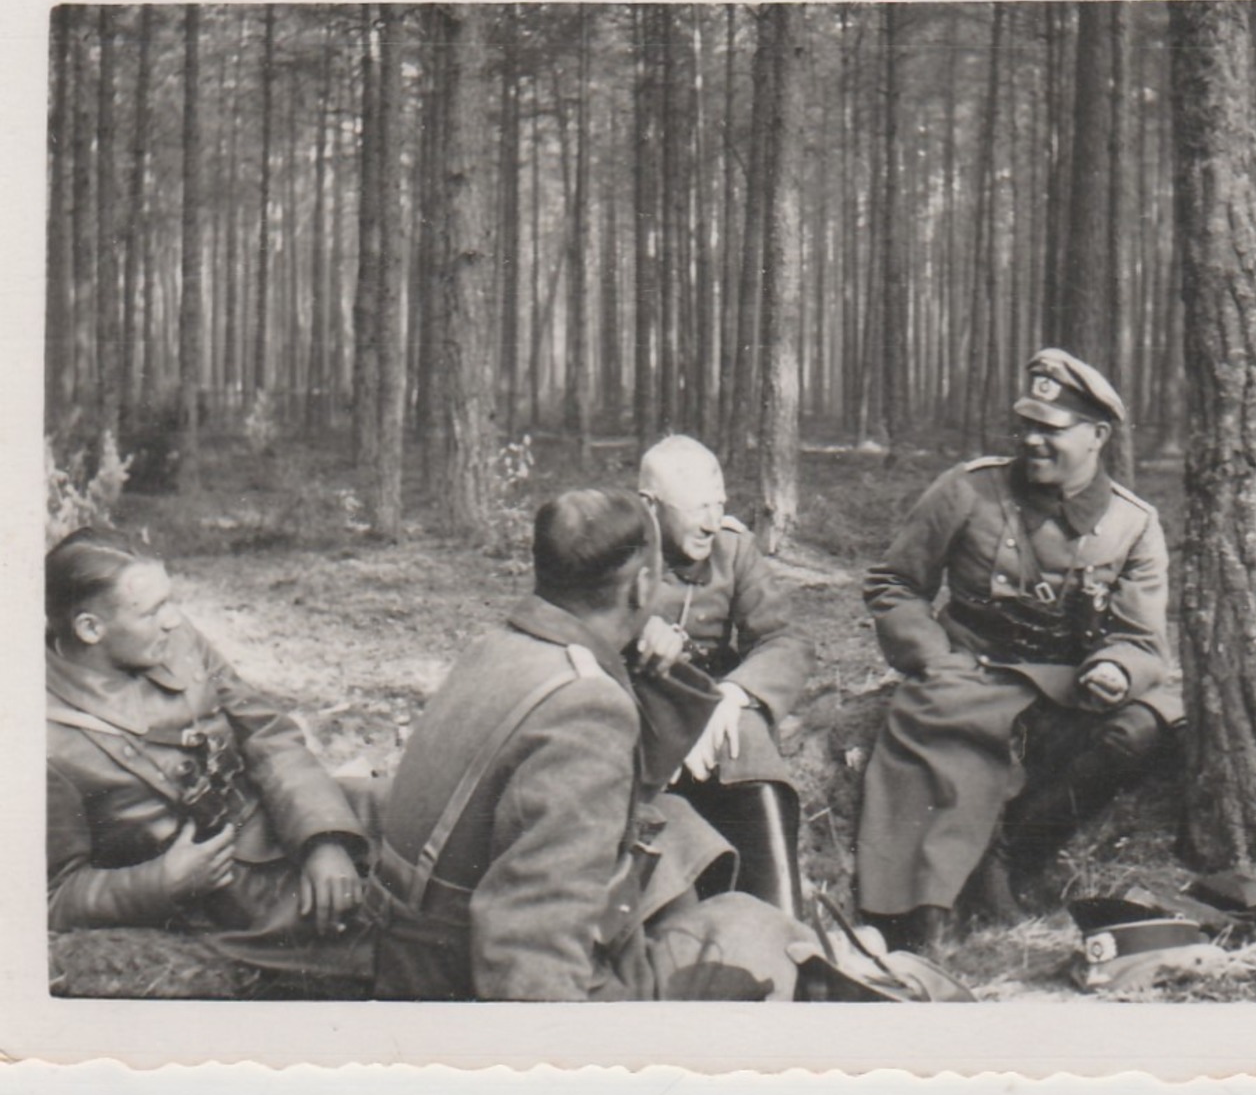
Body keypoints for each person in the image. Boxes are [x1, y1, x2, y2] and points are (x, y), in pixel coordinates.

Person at [371, 489, 809, 1001]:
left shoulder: (504, 647)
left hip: (413, 938)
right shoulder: (586, 707)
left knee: (678, 826)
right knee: (759, 934)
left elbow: (627, 789)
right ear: (644, 583)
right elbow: (531, 953)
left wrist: (641, 658)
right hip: (466, 980)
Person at [855, 349, 1183, 950]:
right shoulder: (968, 491)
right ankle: (922, 909)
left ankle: (1009, 853)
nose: (1032, 441)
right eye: (1026, 425)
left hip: (1068, 685)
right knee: (938, 750)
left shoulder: (1132, 524)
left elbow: (1142, 640)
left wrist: (1115, 667)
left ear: (1097, 436)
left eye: (1051, 430)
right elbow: (894, 582)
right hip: (972, 673)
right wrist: (932, 656)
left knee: (1140, 728)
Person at [45, 528, 380, 981]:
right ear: (90, 628)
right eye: (151, 610)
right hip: (228, 892)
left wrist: (324, 838)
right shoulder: (40, 737)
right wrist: (163, 882)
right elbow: (54, 895)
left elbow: (265, 731)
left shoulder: (173, 638)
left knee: (426, 813)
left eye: (170, 600)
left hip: (287, 810)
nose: (173, 619)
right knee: (396, 929)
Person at [634, 435, 817, 917]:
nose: (713, 522)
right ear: (650, 506)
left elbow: (784, 638)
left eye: (720, 505)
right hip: (638, 708)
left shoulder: (733, 550)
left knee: (749, 741)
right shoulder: (612, 547)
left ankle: (786, 928)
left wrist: (735, 694)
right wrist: (632, 629)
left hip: (712, 703)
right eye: (698, 509)